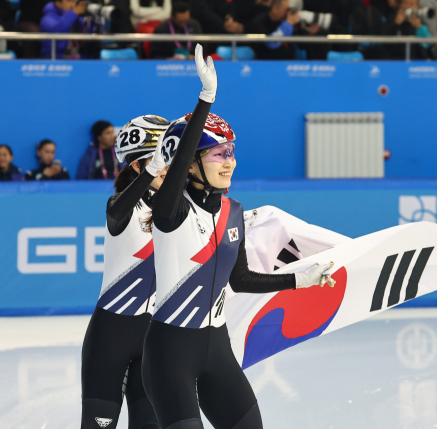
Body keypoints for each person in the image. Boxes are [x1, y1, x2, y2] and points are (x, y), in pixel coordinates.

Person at [141, 45, 334, 429]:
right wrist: (206, 99)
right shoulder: (170, 209)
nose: (229, 161)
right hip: (169, 354)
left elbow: (240, 280)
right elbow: (176, 166)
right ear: (191, 162)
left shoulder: (233, 211)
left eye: (231, 152)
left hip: (217, 350)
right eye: (217, 154)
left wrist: (300, 278)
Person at [81, 115, 171, 429]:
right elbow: (118, 208)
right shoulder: (121, 206)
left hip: (153, 338)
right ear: (138, 166)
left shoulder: (180, 212)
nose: (169, 167)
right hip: (111, 336)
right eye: (162, 159)